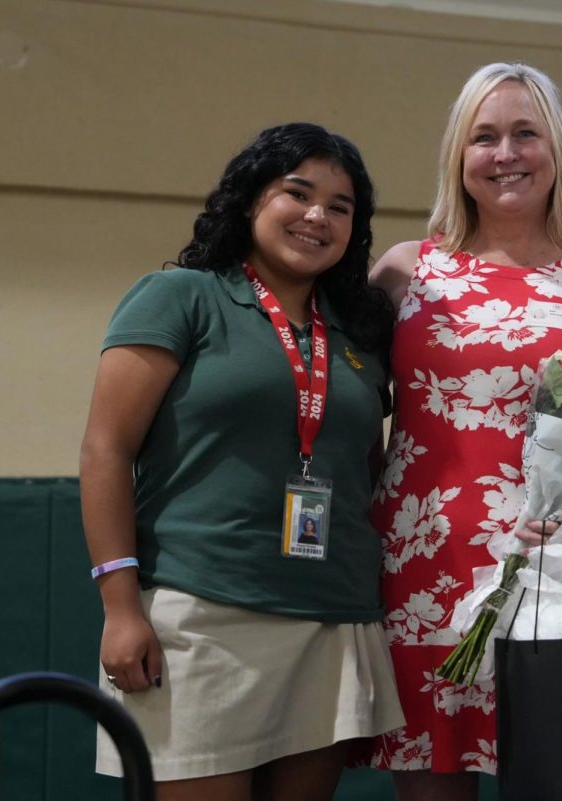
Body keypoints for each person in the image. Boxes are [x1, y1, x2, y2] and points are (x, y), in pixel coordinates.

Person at [79, 122, 404, 801]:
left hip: (330, 618)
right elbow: (106, 448)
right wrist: (120, 606)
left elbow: (367, 469)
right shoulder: (181, 297)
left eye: (340, 206)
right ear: (251, 199)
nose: (318, 215)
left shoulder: (360, 334)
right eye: (298, 192)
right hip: (202, 617)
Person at [367, 62, 562, 800]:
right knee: (432, 782)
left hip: (552, 574)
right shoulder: (405, 273)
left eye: (526, 133)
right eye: (484, 136)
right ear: (458, 159)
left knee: (558, 781)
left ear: (555, 150)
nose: (506, 154)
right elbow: (351, 414)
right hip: (420, 569)